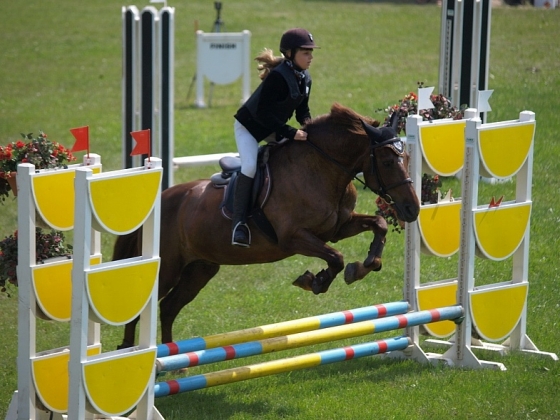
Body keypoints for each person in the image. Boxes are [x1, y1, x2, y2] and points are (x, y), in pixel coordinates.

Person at [231, 28, 319, 247]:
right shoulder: (278, 77)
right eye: (305, 52)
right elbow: (262, 114)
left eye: (311, 52)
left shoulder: (305, 78)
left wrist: (313, 130)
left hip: (272, 127)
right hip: (250, 127)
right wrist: (290, 133)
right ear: (290, 54)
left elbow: (302, 112)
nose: (311, 57)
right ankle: (238, 223)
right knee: (250, 166)